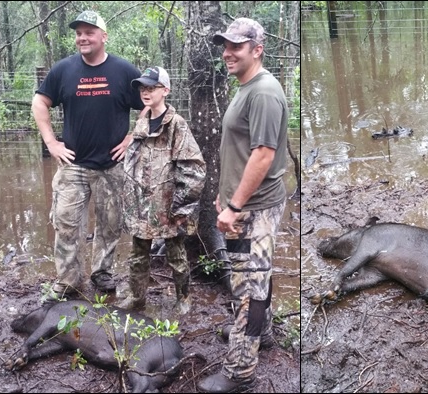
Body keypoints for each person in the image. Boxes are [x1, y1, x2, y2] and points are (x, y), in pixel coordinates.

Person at [198, 18, 290, 393]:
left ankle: (240, 373)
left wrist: (234, 205)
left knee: (248, 291)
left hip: (254, 209)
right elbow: (241, 150)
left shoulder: (264, 92)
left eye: (236, 46)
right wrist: (227, 194)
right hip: (243, 205)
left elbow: (264, 155)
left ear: (257, 49)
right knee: (253, 276)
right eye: (225, 45)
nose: (227, 52)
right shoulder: (246, 86)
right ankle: (262, 333)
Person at [32, 10, 144, 298]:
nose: (82, 37)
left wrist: (134, 137)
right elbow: (40, 103)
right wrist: (51, 142)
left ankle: (101, 273)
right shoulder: (63, 70)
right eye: (79, 33)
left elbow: (149, 103)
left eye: (89, 32)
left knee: (110, 225)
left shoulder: (124, 71)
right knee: (66, 225)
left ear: (103, 36)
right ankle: (68, 280)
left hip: (112, 166)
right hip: (73, 165)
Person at [115, 66, 206, 315]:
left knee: (176, 256)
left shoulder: (176, 124)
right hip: (141, 207)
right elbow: (133, 167)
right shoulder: (142, 123)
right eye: (143, 88)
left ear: (165, 90)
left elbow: (194, 168)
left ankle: (183, 298)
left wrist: (181, 206)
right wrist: (130, 203)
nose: (146, 92)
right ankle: (136, 298)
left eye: (152, 88)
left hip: (169, 207)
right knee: (137, 255)